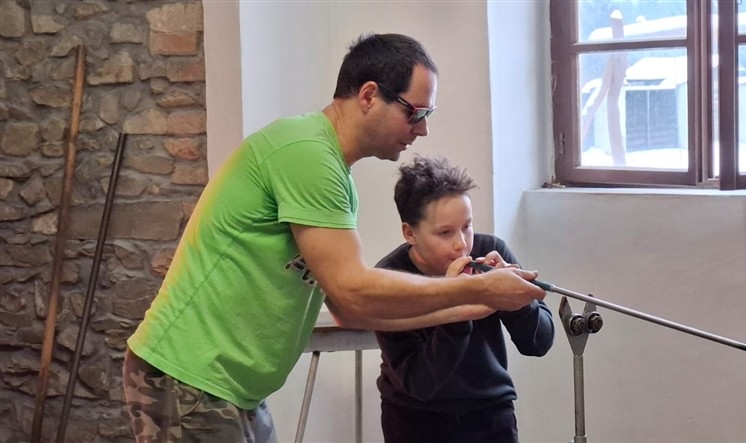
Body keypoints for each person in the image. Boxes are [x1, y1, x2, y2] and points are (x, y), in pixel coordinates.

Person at [122, 33, 545, 443]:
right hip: (190, 375)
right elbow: (352, 291)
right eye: (415, 113)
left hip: (229, 387)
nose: (422, 130)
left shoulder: (333, 173)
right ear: (369, 96)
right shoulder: (306, 154)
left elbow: (347, 312)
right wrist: (478, 290)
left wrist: (472, 303)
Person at [374, 155, 555, 443]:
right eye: (445, 232)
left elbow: (539, 343)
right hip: (416, 421)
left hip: (491, 414)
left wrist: (518, 300)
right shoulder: (389, 280)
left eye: (467, 226)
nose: (461, 243)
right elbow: (421, 384)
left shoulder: (490, 250)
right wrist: (459, 307)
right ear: (410, 233)